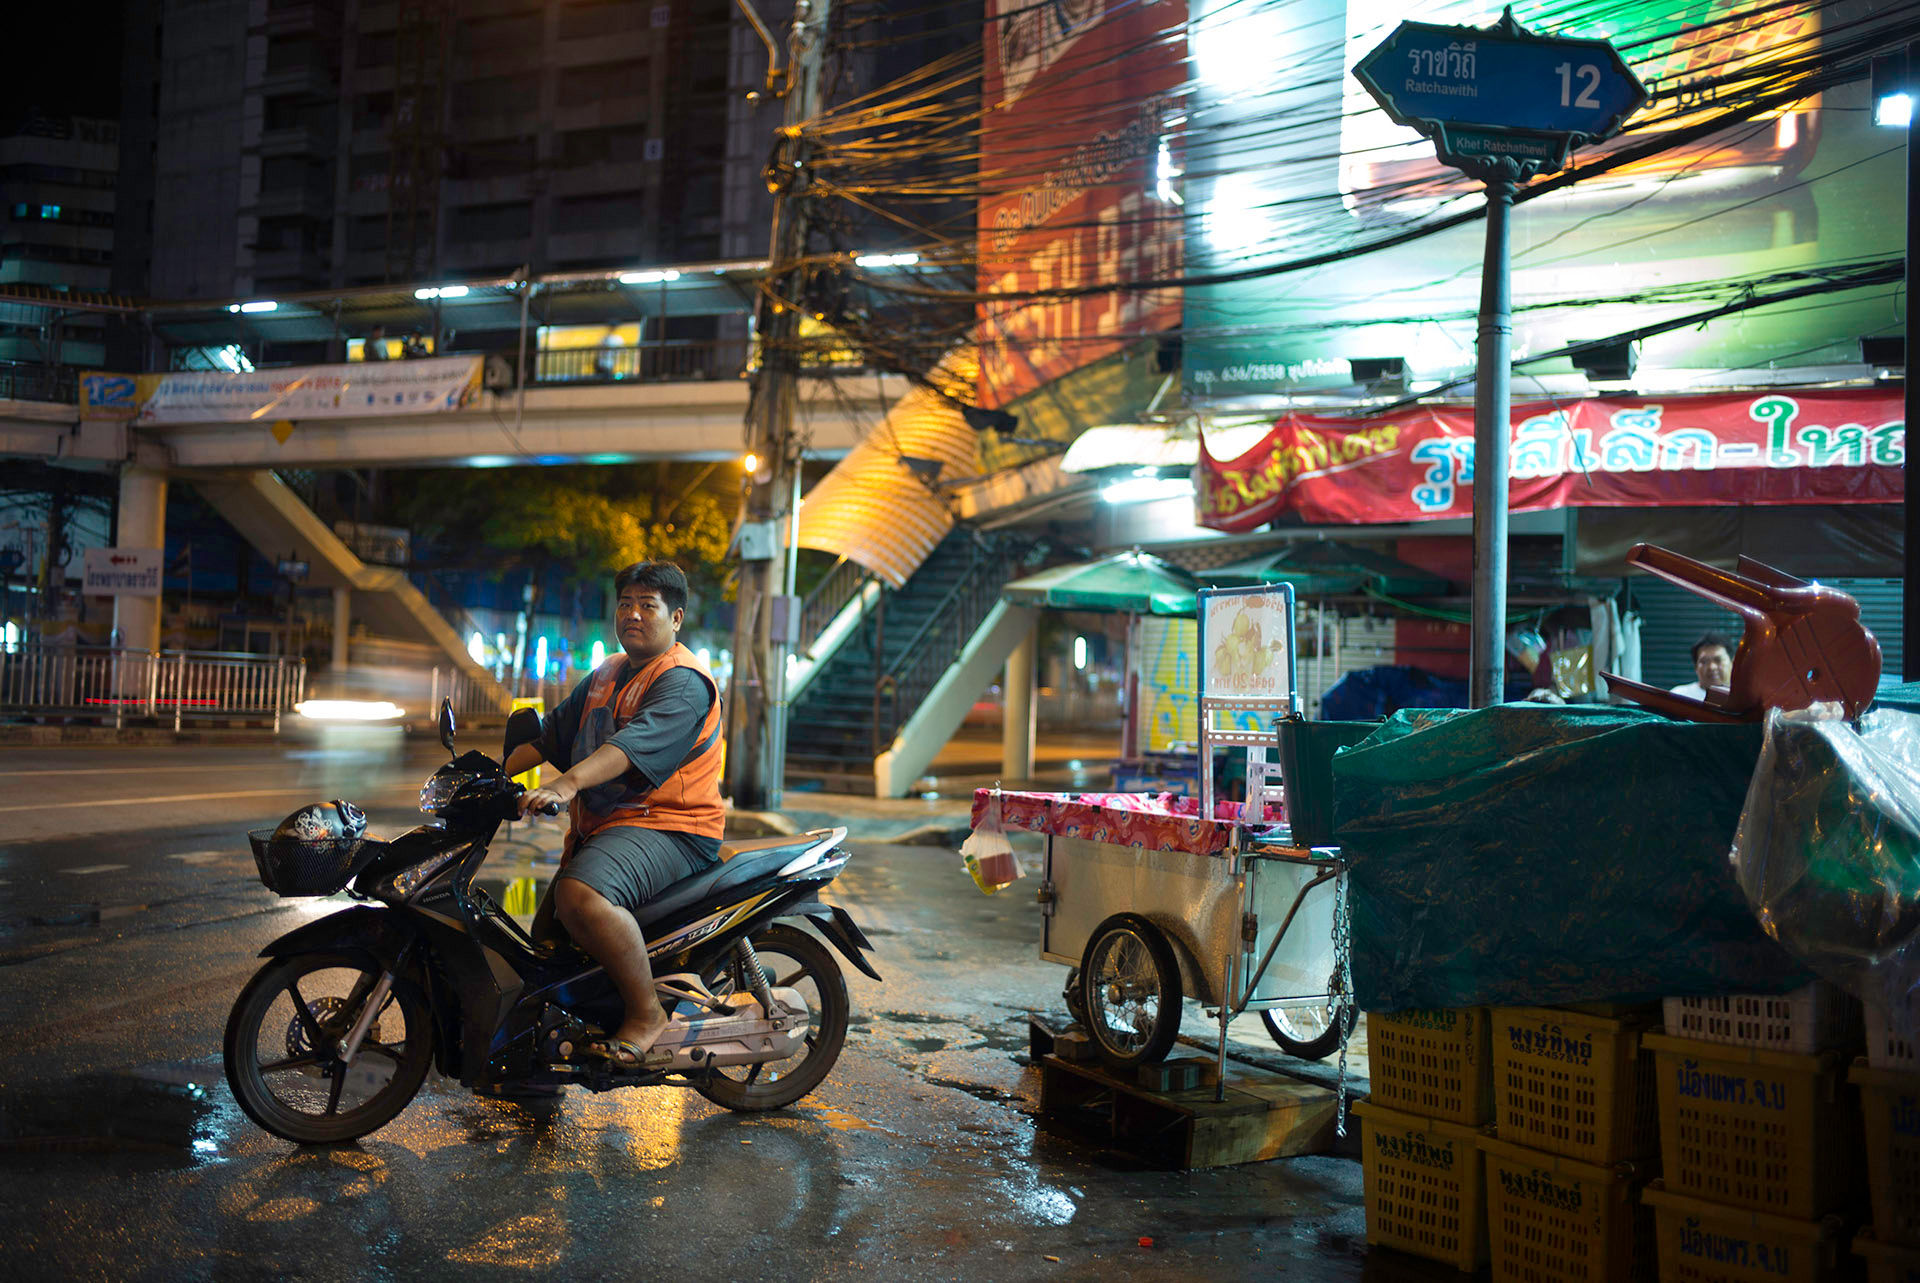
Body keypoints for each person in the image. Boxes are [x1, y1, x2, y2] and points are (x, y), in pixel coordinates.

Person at [503, 561, 725, 1068]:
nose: (633, 614)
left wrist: (565, 783)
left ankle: (647, 1014)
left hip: (673, 828)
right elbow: (548, 735)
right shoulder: (606, 674)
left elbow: (630, 747)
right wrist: (488, 776)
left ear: (676, 618)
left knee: (579, 895)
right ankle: (534, 1070)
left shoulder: (683, 681)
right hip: (612, 829)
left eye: (648, 606)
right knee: (544, 954)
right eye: (625, 604)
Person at [1671, 631, 1734, 700]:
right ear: (1696, 667)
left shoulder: (1742, 699)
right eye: (1704, 662)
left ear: (1732, 662)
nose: (1711, 667)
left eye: (1718, 660)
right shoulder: (1679, 695)